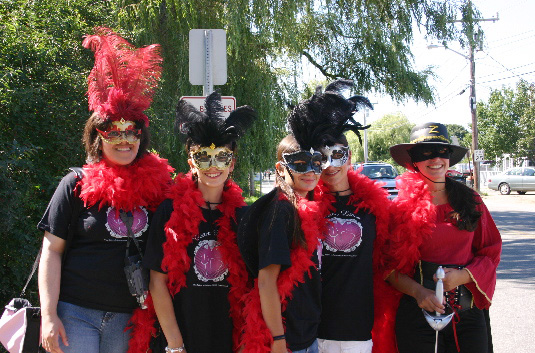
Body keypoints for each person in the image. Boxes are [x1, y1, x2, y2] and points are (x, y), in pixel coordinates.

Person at [37, 27, 173, 353]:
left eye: (133, 131)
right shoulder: (75, 185)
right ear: (98, 137)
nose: (125, 140)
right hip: (76, 313)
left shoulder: (160, 188)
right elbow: (51, 251)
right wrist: (48, 315)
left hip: (131, 319)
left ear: (142, 136)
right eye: (114, 132)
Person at [128, 92, 256, 353]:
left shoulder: (244, 217)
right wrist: (175, 345)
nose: (213, 166)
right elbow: (157, 282)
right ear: (191, 162)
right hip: (182, 338)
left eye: (222, 157)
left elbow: (253, 286)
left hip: (228, 340)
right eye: (203, 157)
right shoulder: (169, 211)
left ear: (232, 164)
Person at [379, 122, 501, 353]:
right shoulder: (399, 208)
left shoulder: (470, 200)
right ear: (414, 160)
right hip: (417, 318)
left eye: (442, 152)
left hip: (468, 315)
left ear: (449, 158)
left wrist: (464, 275)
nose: (436, 159)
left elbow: (491, 250)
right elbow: (386, 267)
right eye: (426, 153)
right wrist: (419, 292)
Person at [237, 91, 333, 353]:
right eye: (300, 163)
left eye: (317, 162)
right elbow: (266, 280)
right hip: (290, 341)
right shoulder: (281, 212)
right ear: (281, 169)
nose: (311, 171)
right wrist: (278, 339)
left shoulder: (303, 208)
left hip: (306, 334)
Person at [308, 80, 391, 353]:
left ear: (350, 156)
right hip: (313, 330)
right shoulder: (305, 204)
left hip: (357, 328)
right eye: (322, 157)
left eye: (338, 155)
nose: (331, 165)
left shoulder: (374, 207)